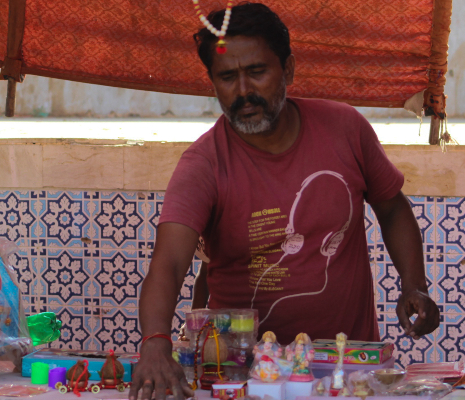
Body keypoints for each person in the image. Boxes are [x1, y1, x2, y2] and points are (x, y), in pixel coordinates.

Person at [128, 3, 440, 400]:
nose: (243, 92)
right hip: (250, 379)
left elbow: (393, 208)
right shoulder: (202, 165)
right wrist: (155, 342)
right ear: (213, 83)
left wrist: (415, 285)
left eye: (257, 72)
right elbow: (169, 264)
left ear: (288, 69)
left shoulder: (346, 129)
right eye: (227, 77)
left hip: (349, 376)